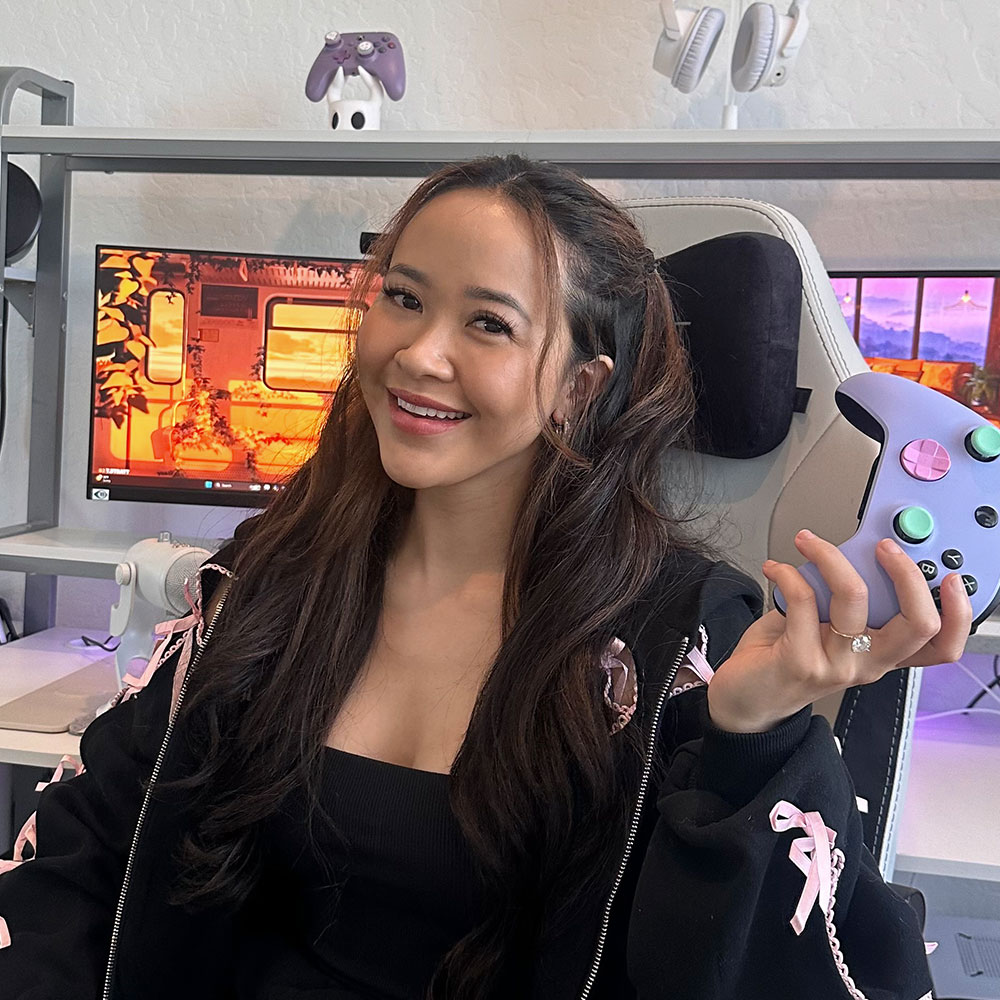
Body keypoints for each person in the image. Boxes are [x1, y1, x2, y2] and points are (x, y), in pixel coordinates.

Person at [0, 155, 968, 1000]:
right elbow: (85, 848)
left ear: (580, 387)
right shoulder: (272, 580)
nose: (419, 355)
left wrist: (748, 742)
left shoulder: (684, 643)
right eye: (405, 298)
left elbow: (725, 969)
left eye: (489, 325)